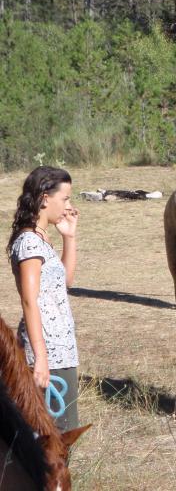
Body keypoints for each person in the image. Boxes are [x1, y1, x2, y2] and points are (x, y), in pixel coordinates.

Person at [7, 166, 81, 431]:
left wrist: (69, 237)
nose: (68, 206)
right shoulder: (28, 243)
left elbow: (66, 282)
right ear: (45, 198)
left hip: (62, 348)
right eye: (65, 199)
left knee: (63, 433)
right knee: (51, 436)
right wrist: (40, 357)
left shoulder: (41, 239)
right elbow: (30, 300)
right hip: (47, 350)